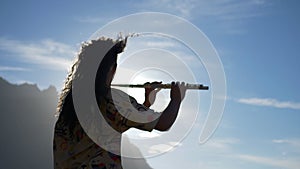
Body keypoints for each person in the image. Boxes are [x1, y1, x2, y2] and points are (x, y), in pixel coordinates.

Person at [53, 37, 187, 169]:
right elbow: (163, 123)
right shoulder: (114, 100)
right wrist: (176, 99)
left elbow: (115, 124)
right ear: (111, 69)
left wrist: (146, 104)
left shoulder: (70, 106)